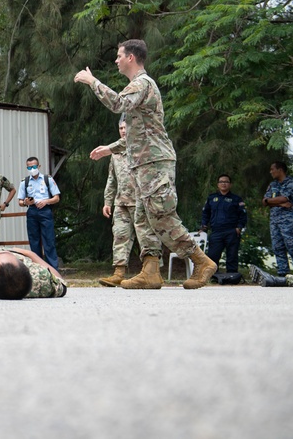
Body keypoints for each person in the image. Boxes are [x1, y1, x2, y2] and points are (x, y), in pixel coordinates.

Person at [75, 38, 217, 289]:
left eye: (119, 56)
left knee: (161, 216)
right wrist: (111, 148)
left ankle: (201, 260)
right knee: (143, 218)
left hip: (155, 162)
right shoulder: (138, 86)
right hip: (143, 164)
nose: (116, 60)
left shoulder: (142, 83)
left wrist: (92, 82)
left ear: (131, 57)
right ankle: (150, 271)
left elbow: (118, 103)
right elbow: (136, 136)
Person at [99, 120, 154, 287]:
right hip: (121, 202)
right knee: (120, 235)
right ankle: (118, 273)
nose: (123, 131)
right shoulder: (115, 154)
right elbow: (112, 179)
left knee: (146, 237)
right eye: (121, 128)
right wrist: (107, 201)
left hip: (141, 201)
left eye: (126, 127)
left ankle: (151, 272)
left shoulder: (142, 147)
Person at [16, 156, 61, 270]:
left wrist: (46, 201)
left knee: (49, 241)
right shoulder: (24, 182)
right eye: (30, 167)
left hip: (45, 211)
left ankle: (53, 270)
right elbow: (20, 202)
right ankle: (38, 269)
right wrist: (26, 202)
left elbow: (56, 198)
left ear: (39, 166)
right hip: (32, 212)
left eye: (34, 166)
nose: (32, 169)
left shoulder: (47, 179)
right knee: (34, 242)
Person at [200, 174, 247, 275]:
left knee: (232, 255)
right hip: (216, 231)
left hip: (231, 231)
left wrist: (239, 227)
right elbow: (205, 213)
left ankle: (232, 276)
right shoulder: (212, 198)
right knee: (213, 255)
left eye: (226, 182)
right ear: (218, 184)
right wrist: (204, 225)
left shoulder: (236, 199)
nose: (223, 184)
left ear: (230, 184)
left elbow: (243, 215)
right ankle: (213, 276)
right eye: (221, 182)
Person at [263, 161, 293, 276]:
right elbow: (264, 201)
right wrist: (277, 203)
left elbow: (285, 198)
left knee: (291, 245)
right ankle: (283, 273)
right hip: (274, 221)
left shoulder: (290, 183)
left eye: (272, 169)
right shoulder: (273, 185)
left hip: (288, 221)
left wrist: (271, 201)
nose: (271, 172)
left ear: (280, 169)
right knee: (277, 247)